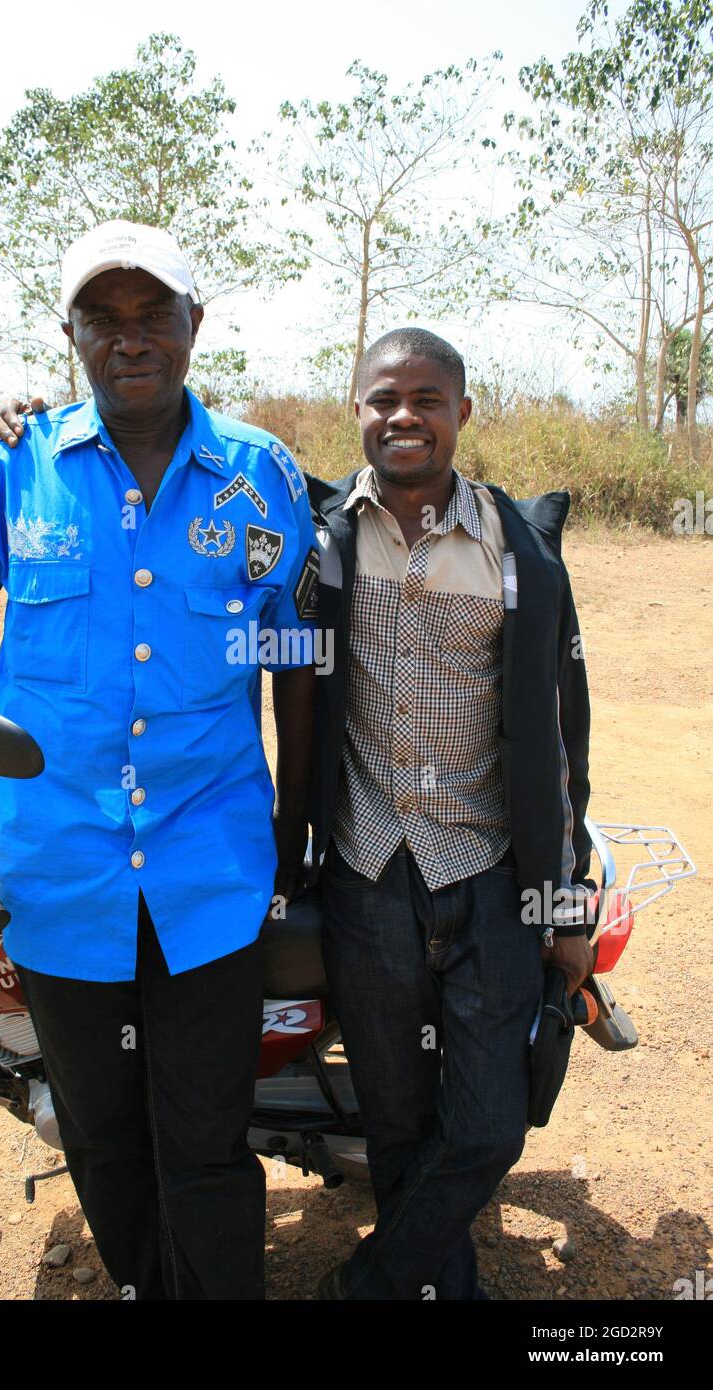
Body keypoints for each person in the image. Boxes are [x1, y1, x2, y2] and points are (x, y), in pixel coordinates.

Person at [0, 220, 319, 1300]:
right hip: (58, 874)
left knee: (203, 1138)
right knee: (103, 1139)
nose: (130, 338)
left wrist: (294, 834)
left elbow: (294, 661)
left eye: (154, 313)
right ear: (70, 336)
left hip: (212, 871)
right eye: (101, 319)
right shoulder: (12, 468)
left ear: (195, 325)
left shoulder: (260, 478)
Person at [306, 327, 595, 1300]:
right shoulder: (323, 543)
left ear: (460, 413)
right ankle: (437, 1290)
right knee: (393, 1121)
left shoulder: (518, 556)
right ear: (357, 412)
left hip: (486, 874)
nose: (402, 416)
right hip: (367, 870)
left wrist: (564, 905)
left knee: (485, 1127)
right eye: (382, 398)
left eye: (425, 399)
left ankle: (372, 1285)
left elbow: (558, 747)